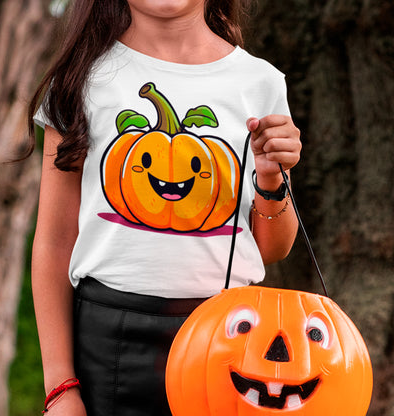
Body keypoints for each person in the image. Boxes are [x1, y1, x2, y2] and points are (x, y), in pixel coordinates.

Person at [28, 0, 301, 415]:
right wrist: (60, 388)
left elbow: (272, 248)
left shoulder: (260, 82)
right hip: (107, 345)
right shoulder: (79, 80)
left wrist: (270, 179)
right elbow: (54, 242)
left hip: (230, 341)